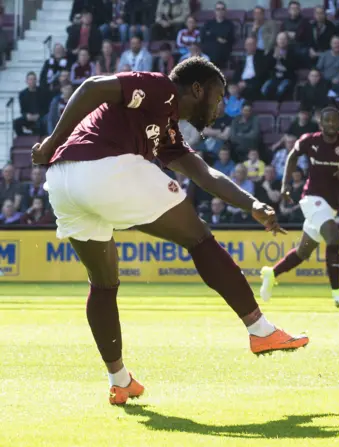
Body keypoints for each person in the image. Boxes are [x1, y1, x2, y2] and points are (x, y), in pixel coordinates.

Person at [30, 58, 308, 405]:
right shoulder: (161, 89)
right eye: (218, 96)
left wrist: (252, 204)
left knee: (103, 283)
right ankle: (260, 329)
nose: (221, 107)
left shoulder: (166, 128)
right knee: (199, 237)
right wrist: (51, 140)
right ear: (197, 89)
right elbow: (92, 87)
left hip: (61, 182)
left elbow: (205, 174)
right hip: (101, 168)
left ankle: (119, 380)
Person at [259, 107, 339, 307]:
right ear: (320, 123)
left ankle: (271, 273)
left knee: (302, 252)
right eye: (326, 121)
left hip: (331, 204)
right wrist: (285, 186)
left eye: (334, 121)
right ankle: (337, 292)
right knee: (333, 238)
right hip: (311, 199)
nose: (330, 124)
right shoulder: (309, 140)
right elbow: (292, 156)